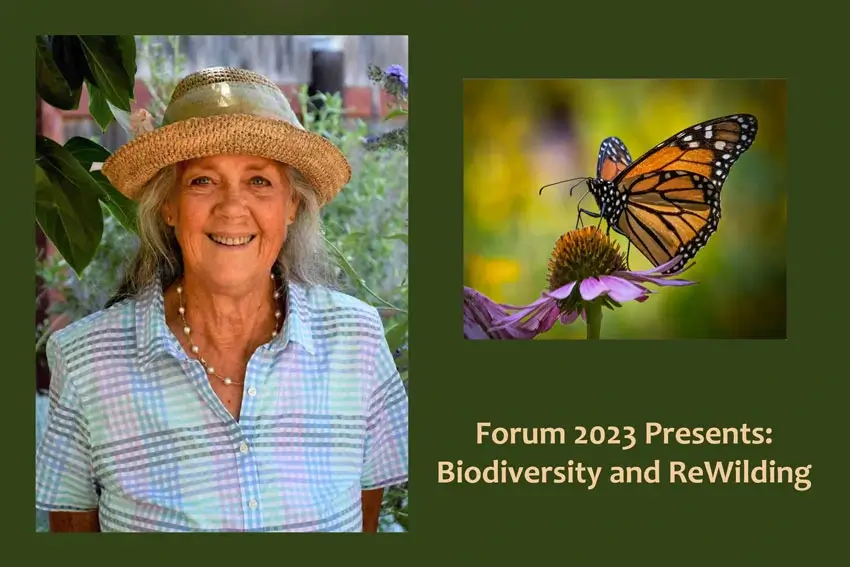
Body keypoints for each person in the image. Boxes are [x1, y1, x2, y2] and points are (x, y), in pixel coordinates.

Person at [35, 66, 408, 532]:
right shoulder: (87, 361)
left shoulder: (358, 341)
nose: (232, 207)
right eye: (203, 181)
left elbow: (364, 522)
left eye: (259, 182)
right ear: (168, 205)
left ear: (291, 205)